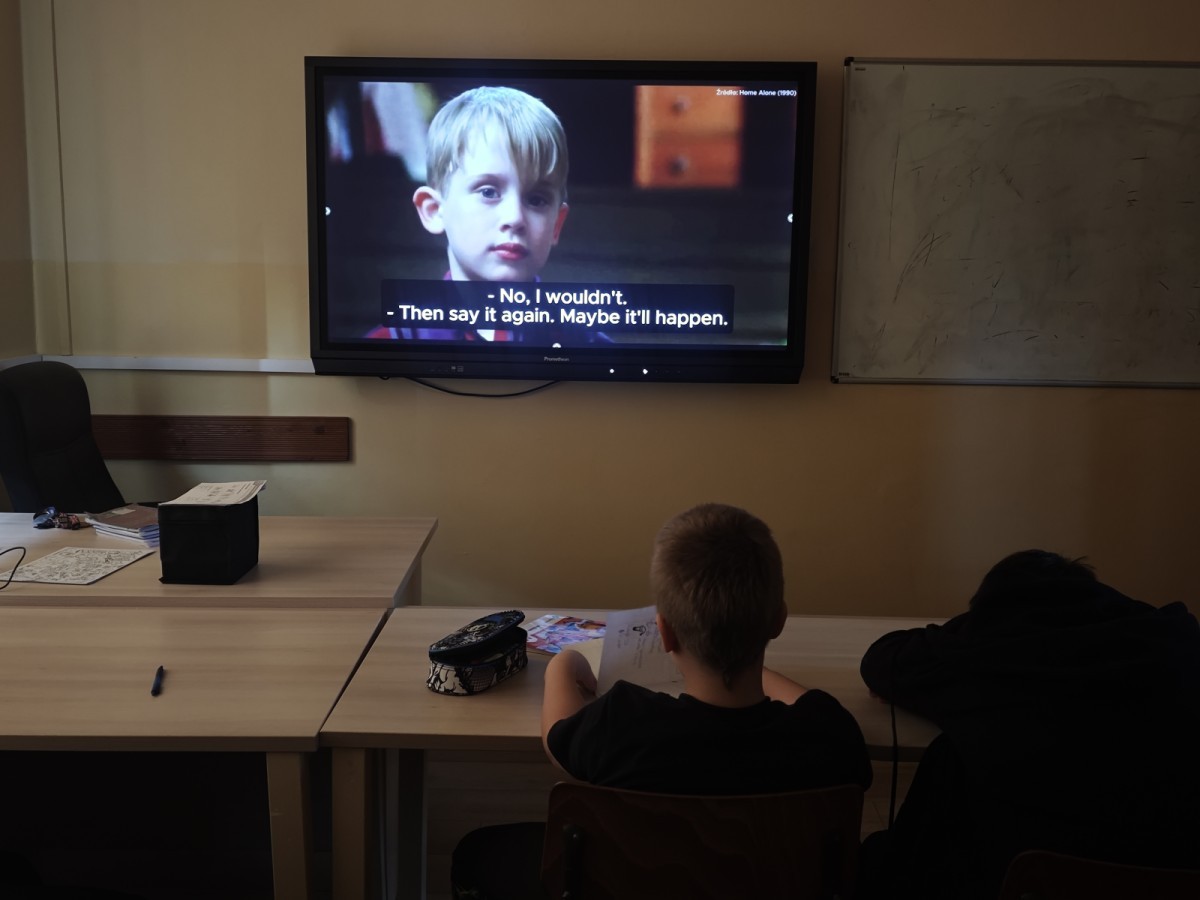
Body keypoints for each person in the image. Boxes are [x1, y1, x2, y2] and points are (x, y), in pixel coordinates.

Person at [450, 503, 872, 899]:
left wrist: (564, 663)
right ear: (779, 620)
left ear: (664, 633)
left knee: (477, 850)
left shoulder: (623, 723)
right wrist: (748, 662)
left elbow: (557, 739)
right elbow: (810, 704)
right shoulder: (829, 732)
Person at [857, 549, 1200, 900]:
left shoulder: (983, 661)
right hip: (1175, 870)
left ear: (988, 611)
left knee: (948, 760)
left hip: (1022, 873)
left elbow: (883, 658)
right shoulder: (1173, 641)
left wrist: (971, 628)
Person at [367, 85, 609, 345]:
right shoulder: (390, 344)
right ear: (434, 211)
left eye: (536, 199)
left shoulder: (591, 349)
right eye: (489, 192)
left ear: (556, 225)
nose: (515, 218)